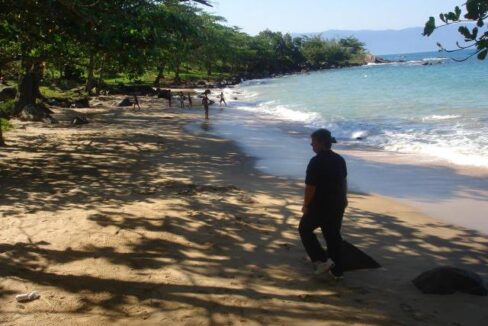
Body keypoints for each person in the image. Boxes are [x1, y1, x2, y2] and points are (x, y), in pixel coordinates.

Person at [299, 128, 348, 280]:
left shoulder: (316, 161)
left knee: (305, 229)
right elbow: (344, 181)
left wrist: (306, 205)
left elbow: (310, 187)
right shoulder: (339, 159)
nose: (311, 145)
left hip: (321, 204)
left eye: (313, 142)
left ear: (320, 143)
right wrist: (345, 198)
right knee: (332, 235)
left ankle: (321, 261)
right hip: (338, 202)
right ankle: (338, 271)